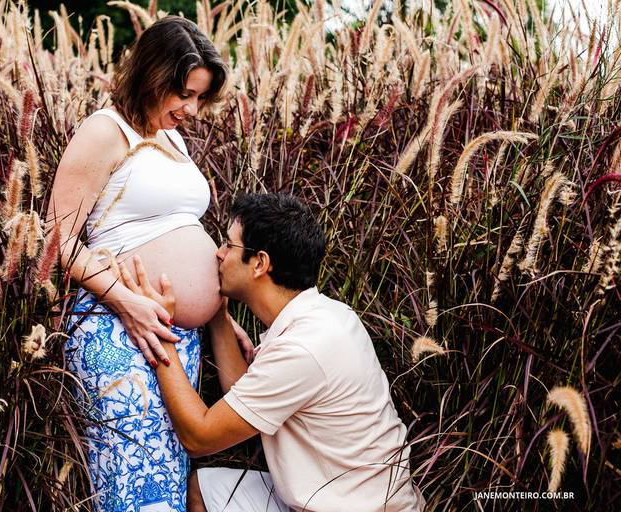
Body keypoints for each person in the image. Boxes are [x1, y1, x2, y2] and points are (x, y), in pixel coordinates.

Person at [119, 193, 424, 511]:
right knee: (205, 490)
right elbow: (245, 397)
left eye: (229, 245)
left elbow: (199, 437)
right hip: (348, 493)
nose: (219, 255)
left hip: (358, 507)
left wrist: (161, 331)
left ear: (260, 263)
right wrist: (220, 317)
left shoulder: (303, 349)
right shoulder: (325, 316)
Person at [47, 16, 233, 512]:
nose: (192, 109)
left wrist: (214, 309)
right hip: (118, 326)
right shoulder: (105, 131)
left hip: (172, 332)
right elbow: (56, 241)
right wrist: (127, 301)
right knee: (132, 478)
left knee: (168, 475)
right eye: (184, 94)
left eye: (200, 97)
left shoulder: (173, 137)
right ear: (153, 74)